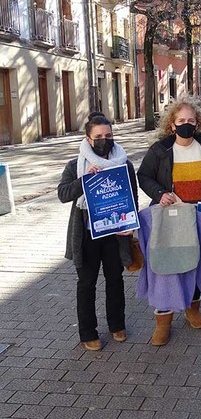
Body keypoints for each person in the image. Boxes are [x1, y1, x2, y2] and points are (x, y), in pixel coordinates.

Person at [137, 98, 201, 345]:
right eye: (181, 121)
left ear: (197, 122)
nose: (186, 125)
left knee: (194, 264)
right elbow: (144, 176)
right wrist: (159, 194)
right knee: (165, 267)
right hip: (169, 218)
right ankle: (163, 322)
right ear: (171, 125)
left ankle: (193, 309)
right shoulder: (160, 150)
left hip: (199, 217)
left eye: (190, 120)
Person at [57, 112, 138, 351]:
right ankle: (88, 333)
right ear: (88, 139)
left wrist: (130, 225)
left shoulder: (124, 163)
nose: (105, 140)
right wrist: (84, 180)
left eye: (109, 135)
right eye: (99, 136)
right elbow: (62, 194)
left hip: (114, 233)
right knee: (87, 282)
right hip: (86, 234)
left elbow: (131, 196)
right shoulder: (76, 165)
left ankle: (117, 325)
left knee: (115, 279)